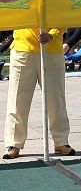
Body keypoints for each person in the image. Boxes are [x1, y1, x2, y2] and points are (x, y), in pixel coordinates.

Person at [3, 29, 76, 159]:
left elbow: (62, 16)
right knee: (17, 100)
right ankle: (14, 143)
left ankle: (61, 141)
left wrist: (53, 34)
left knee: (56, 99)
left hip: (51, 52)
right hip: (22, 50)